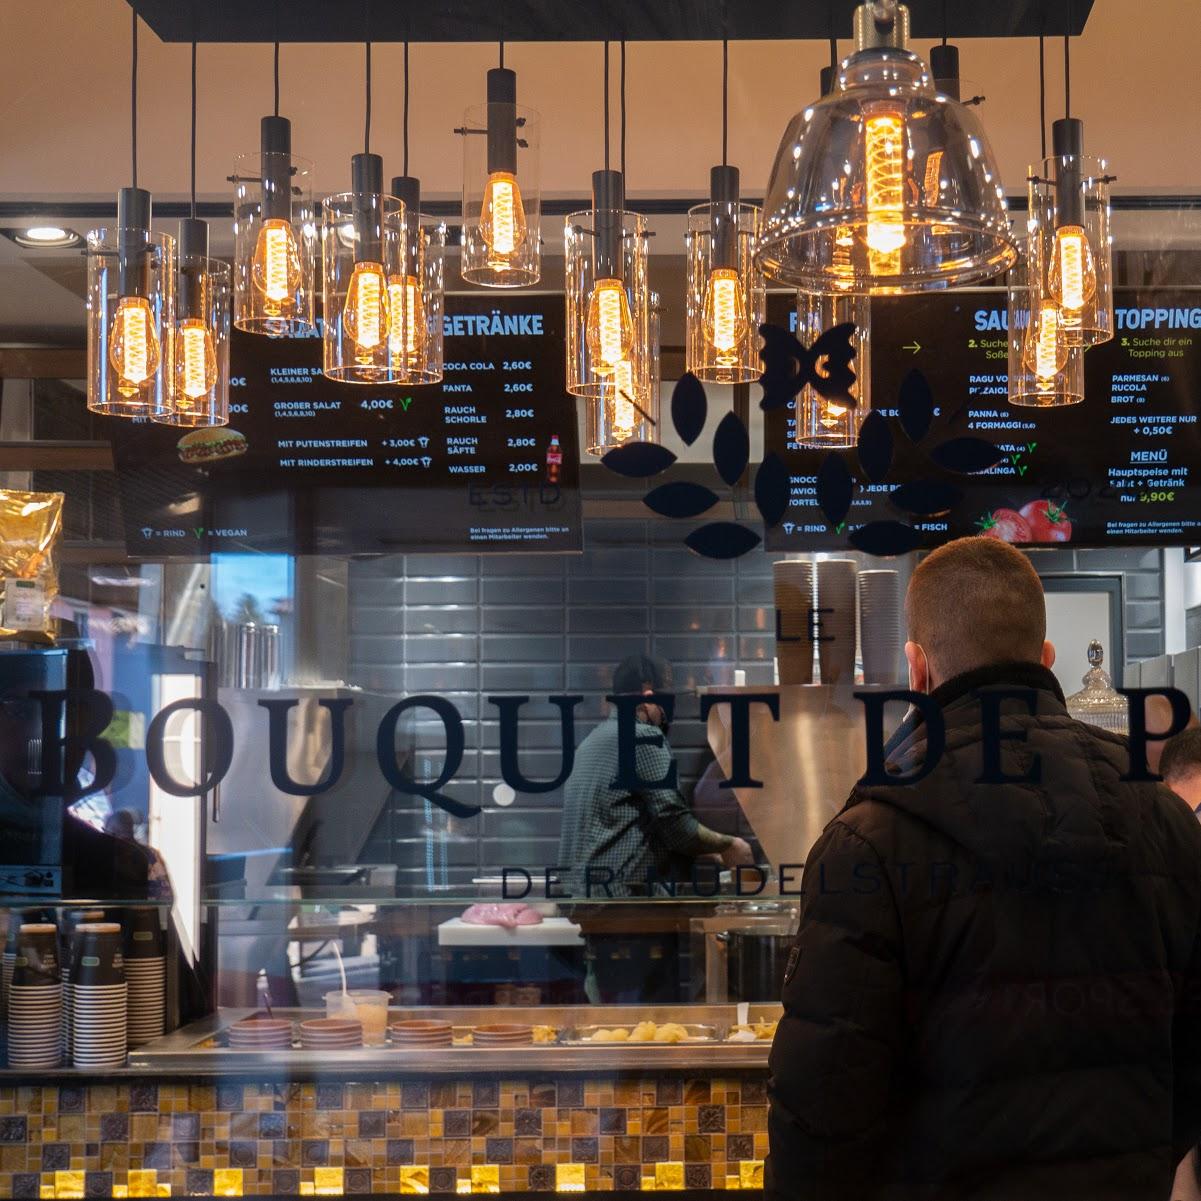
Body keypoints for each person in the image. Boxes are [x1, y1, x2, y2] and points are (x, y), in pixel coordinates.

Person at [766, 536, 1201, 1201]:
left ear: (917, 670)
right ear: (1045, 658)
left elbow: (823, 1110)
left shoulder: (869, 840)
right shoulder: (1165, 817)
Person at [558, 653, 753, 1001]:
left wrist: (707, 849)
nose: (668, 714)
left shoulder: (593, 742)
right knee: (655, 1016)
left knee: (612, 1013)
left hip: (589, 904)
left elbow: (629, 821)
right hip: (624, 910)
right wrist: (730, 846)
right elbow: (673, 821)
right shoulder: (643, 737)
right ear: (649, 698)